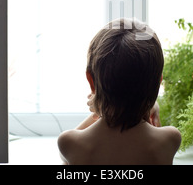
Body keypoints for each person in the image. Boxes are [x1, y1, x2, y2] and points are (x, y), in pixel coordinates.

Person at [57, 18, 181, 165]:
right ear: (158, 83)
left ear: (91, 81)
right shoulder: (170, 139)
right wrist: (149, 107)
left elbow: (72, 145)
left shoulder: (70, 143)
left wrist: (100, 109)